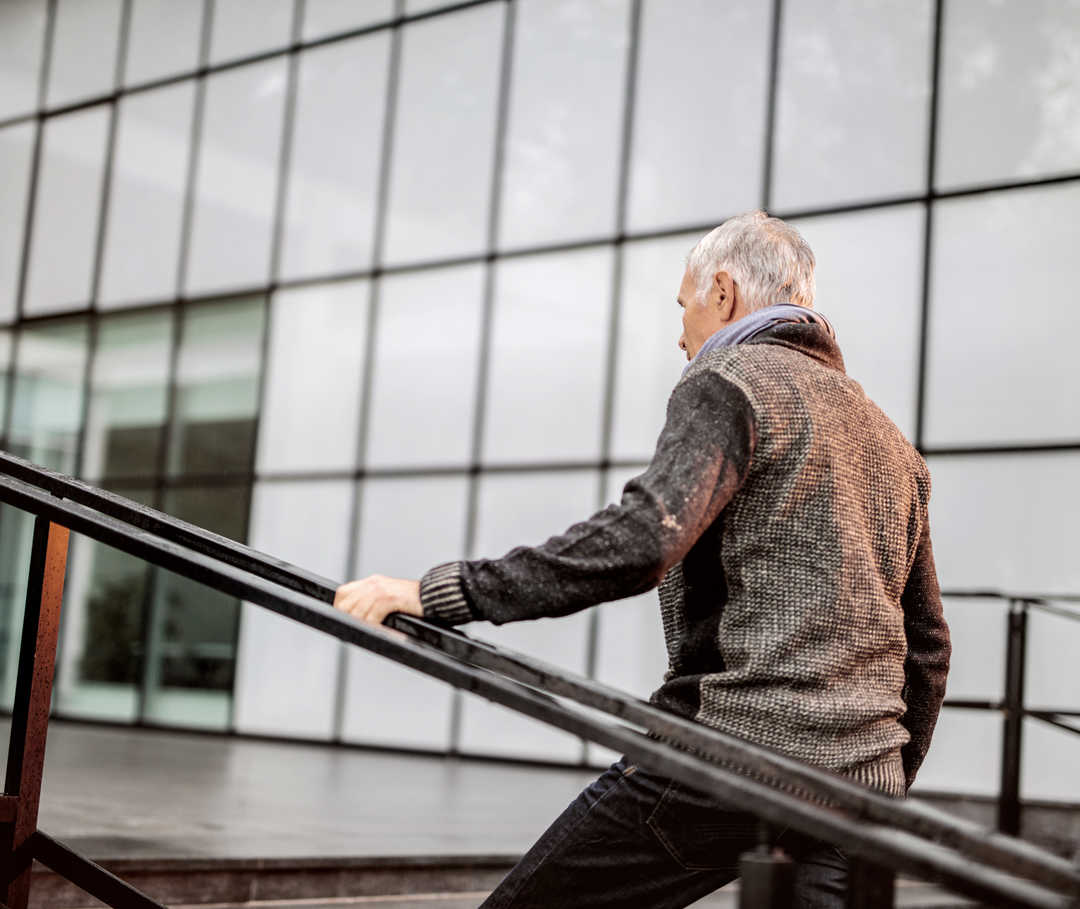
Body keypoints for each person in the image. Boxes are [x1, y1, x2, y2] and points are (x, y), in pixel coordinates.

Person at [333, 210, 951, 908]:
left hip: (728, 757)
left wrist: (445, 591)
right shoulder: (891, 440)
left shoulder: (731, 376)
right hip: (857, 796)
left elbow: (644, 538)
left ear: (722, 291)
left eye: (683, 303)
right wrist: (882, 778)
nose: (679, 329)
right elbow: (927, 645)